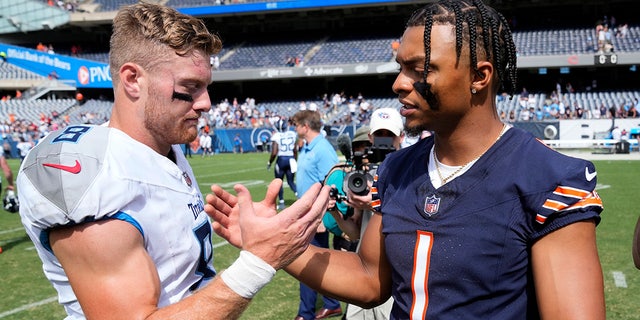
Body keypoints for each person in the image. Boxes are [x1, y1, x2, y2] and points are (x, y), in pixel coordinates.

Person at [206, 1, 605, 319]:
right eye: (401, 68)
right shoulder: (396, 169)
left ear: (479, 77)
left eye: (420, 69)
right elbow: (368, 280)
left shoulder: (550, 179)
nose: (399, 83)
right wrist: (274, 245)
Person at [17, 3, 330, 319]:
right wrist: (257, 263)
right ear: (133, 80)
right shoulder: (92, 174)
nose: (206, 102)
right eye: (189, 87)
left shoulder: (164, 144)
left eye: (205, 86)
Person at [290, 109, 342, 320]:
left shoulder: (322, 149)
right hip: (307, 212)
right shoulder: (308, 147)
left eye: (296, 125)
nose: (294, 128)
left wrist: (321, 215)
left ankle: (305, 313)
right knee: (316, 260)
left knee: (307, 260)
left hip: (314, 214)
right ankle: (331, 303)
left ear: (305, 126)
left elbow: (332, 181)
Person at [267, 118, 298, 210]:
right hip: (291, 159)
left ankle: (281, 202)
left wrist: (269, 162)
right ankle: (300, 196)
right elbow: (295, 150)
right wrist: (294, 160)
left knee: (278, 182)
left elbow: (274, 152)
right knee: (291, 181)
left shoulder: (276, 135)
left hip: (281, 160)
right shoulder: (292, 134)